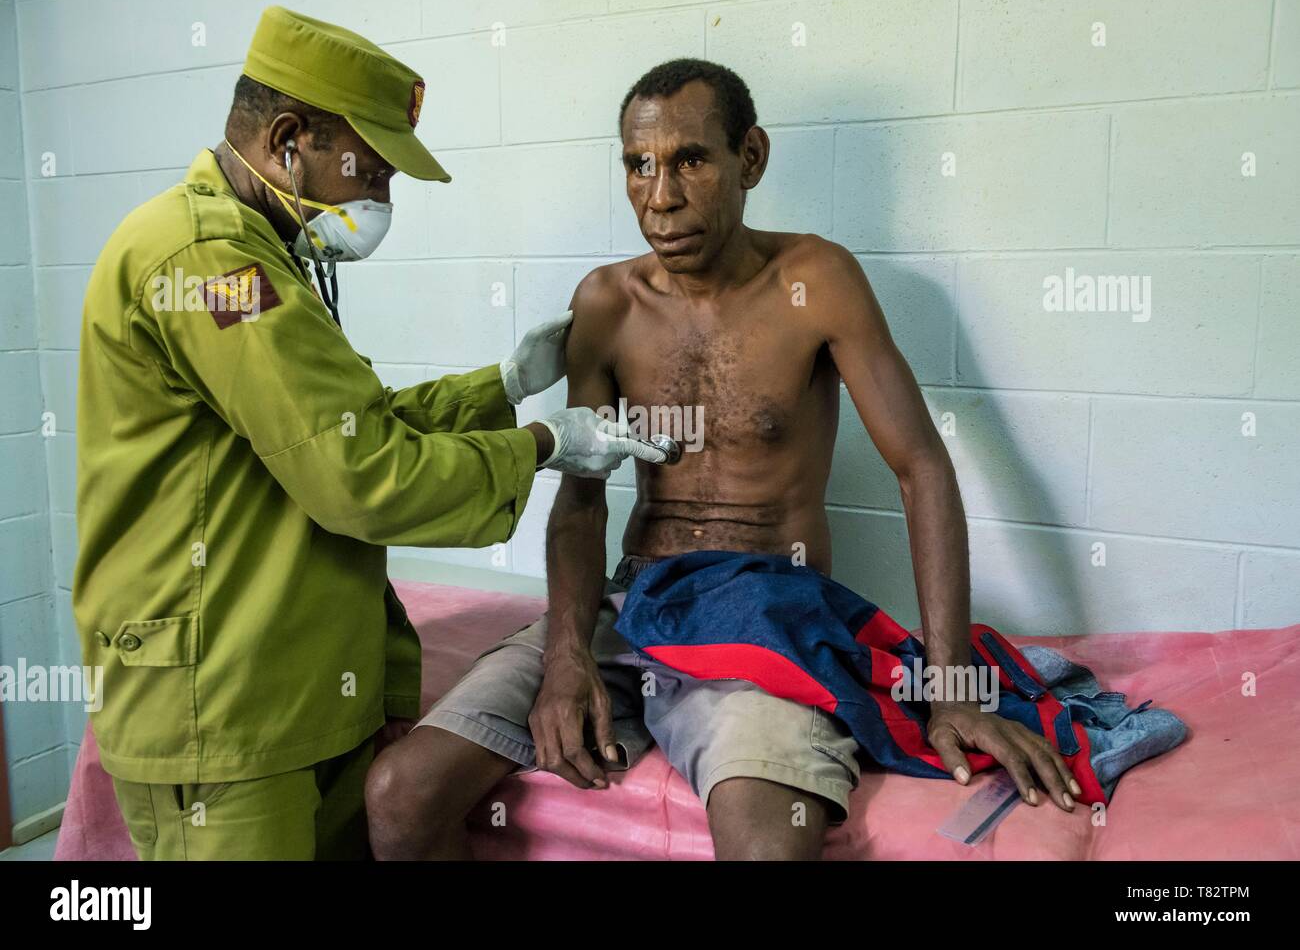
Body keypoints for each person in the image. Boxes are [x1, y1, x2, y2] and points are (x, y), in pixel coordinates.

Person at [366, 58, 1082, 861]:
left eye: (690, 161)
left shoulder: (817, 279)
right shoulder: (606, 302)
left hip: (766, 617)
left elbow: (921, 468)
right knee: (399, 796)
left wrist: (951, 687)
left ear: (750, 159)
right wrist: (566, 660)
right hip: (632, 606)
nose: (660, 197)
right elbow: (583, 500)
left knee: (769, 849)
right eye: (639, 165)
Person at [73, 6, 659, 861]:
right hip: (223, 712)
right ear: (287, 140)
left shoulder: (257, 253)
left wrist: (497, 388)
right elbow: (357, 474)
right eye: (372, 175)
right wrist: (543, 444)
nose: (381, 201)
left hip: (296, 692)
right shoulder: (210, 265)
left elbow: (340, 427)